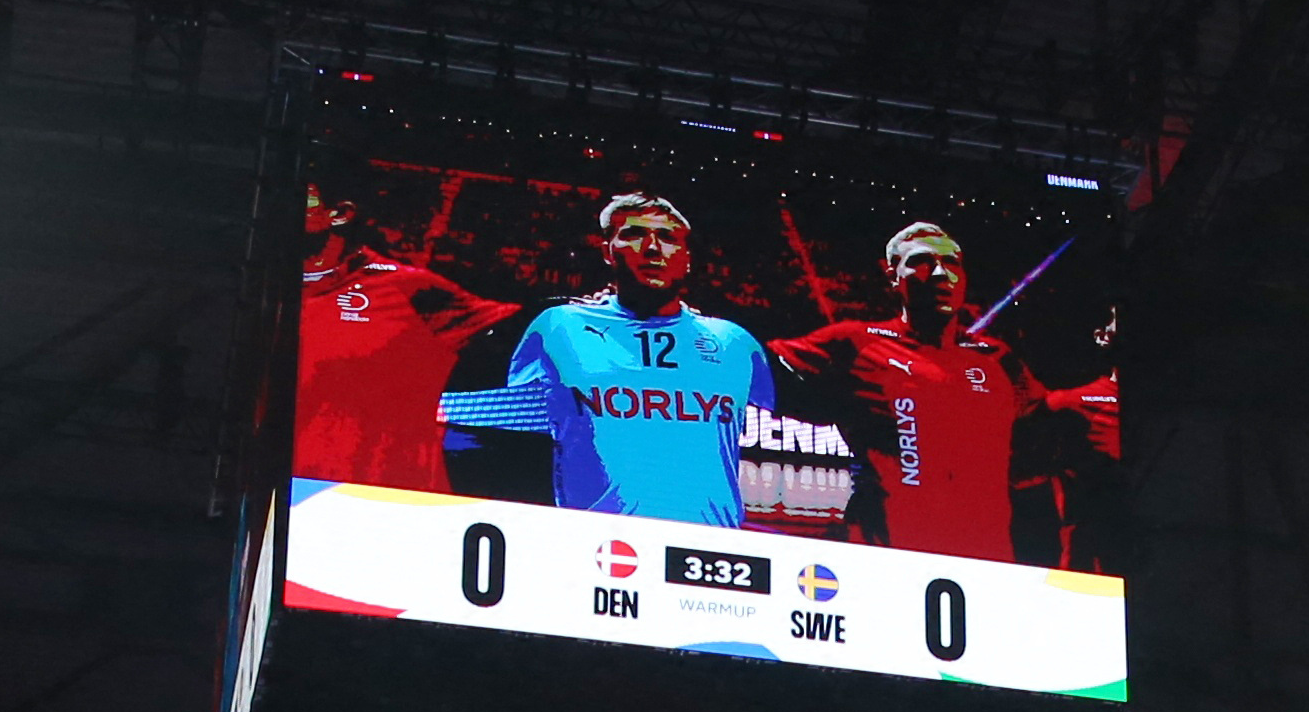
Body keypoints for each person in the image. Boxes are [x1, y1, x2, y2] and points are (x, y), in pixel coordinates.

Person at [433, 193, 770, 524]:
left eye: (667, 238)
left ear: (687, 257)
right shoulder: (558, 326)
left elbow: (810, 405)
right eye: (633, 234)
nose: (652, 248)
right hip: (592, 547)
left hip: (710, 550)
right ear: (607, 251)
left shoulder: (734, 342)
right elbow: (495, 425)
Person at [768, 221, 1039, 561]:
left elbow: (1044, 444)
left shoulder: (1000, 359)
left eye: (952, 263)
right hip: (887, 560)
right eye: (922, 261)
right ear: (892, 276)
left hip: (988, 564)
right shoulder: (857, 343)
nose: (941, 273)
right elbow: (751, 366)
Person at [290, 178, 511, 491]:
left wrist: (587, 304)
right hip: (270, 495)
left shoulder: (407, 289)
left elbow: (518, 330)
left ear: (340, 213)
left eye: (301, 196)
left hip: (375, 502)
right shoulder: (254, 287)